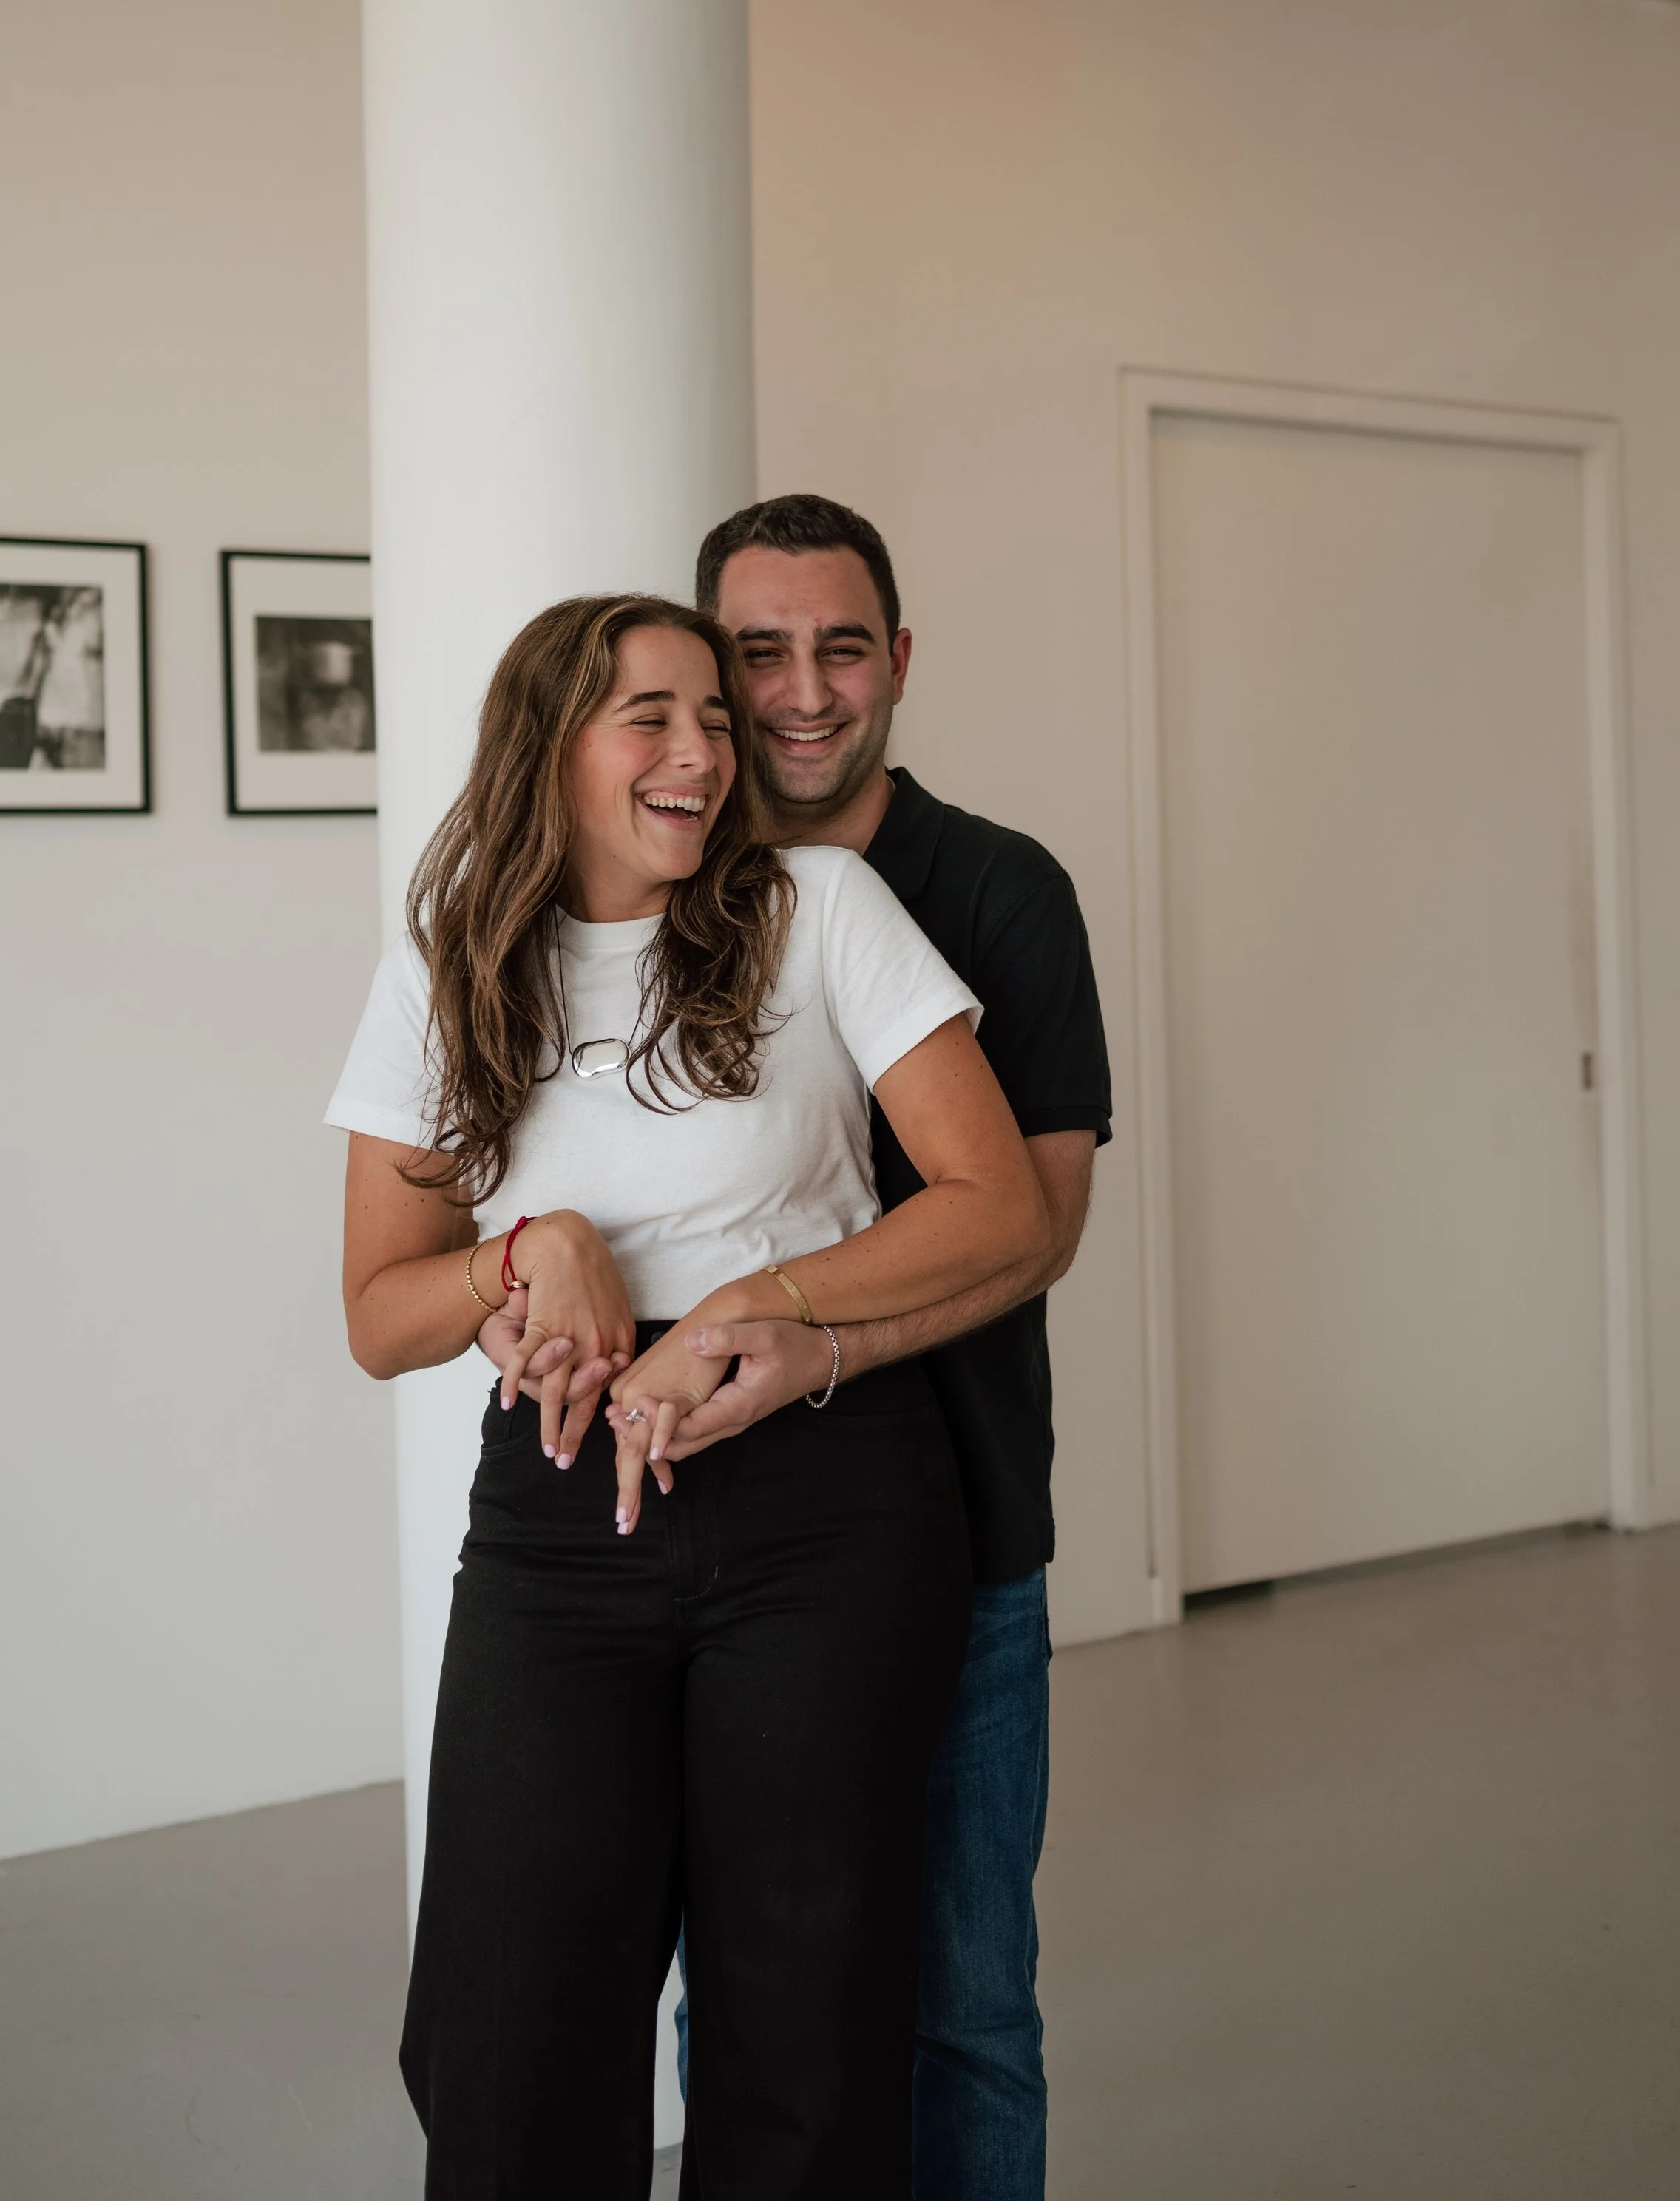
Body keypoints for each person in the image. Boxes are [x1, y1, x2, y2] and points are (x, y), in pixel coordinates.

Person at [326, 591, 1048, 2201]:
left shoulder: (818, 906)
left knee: (804, 2025)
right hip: (561, 1519)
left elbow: (995, 1199)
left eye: (713, 718)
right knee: (504, 2027)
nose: (704, 750)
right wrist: (529, 1252)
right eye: (650, 715)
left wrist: (751, 1303)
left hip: (829, 1498)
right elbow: (382, 1316)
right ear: (549, 745)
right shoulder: (448, 968)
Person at [501, 498, 1110, 2200]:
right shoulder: (635, 899)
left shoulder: (987, 890)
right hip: (678, 1531)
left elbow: (1032, 1223)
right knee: (753, 2006)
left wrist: (785, 1330)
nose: (794, 694)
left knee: (965, 2004)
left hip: (957, 1518)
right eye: (751, 655)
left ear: (896, 662)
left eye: (839, 647)